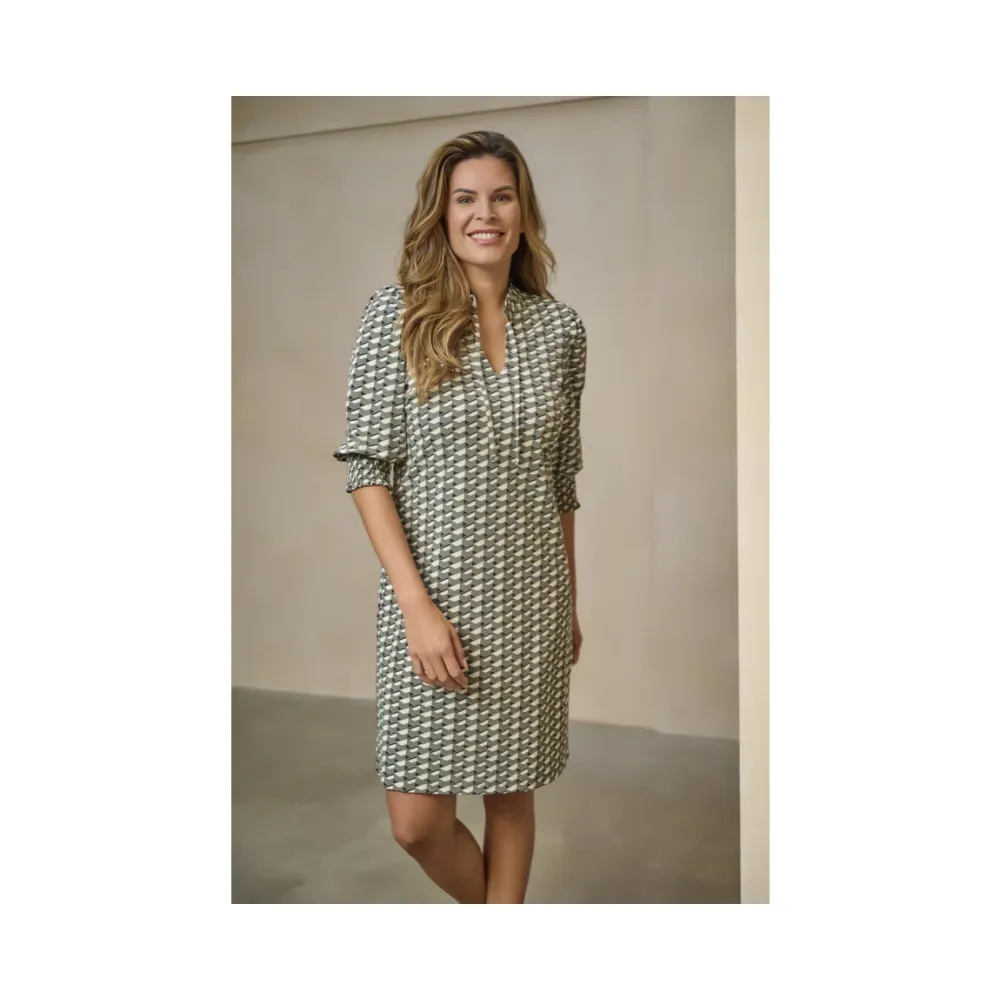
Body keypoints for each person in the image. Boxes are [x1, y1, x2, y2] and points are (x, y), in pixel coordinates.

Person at [333, 130, 587, 904]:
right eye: (466, 199)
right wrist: (416, 607)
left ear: (523, 211)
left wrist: (570, 602)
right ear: (440, 215)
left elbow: (560, 480)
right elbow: (368, 470)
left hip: (531, 599)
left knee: (511, 791)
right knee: (417, 823)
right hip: (432, 602)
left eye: (502, 197)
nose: (486, 214)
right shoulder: (396, 317)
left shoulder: (562, 331)